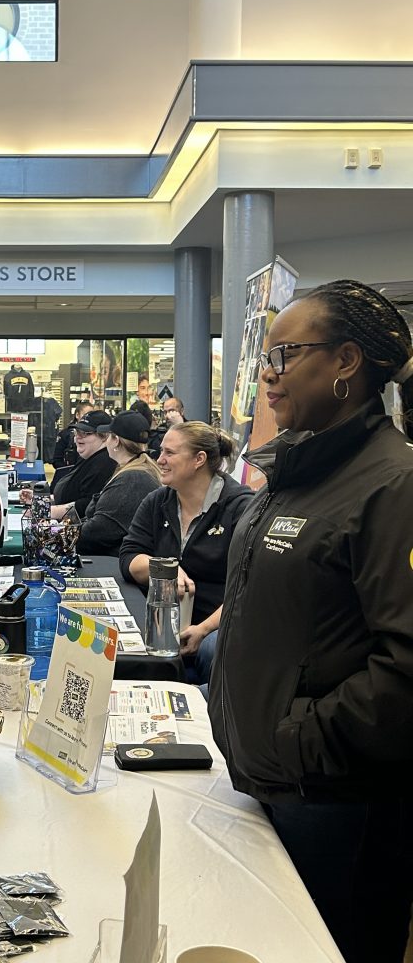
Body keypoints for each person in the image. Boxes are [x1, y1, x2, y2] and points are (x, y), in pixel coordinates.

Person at [207, 279, 413, 963]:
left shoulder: (393, 483)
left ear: (347, 363)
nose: (268, 374)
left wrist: (302, 739)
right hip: (271, 783)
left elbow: (406, 663)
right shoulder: (297, 468)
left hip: (335, 803)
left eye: (286, 354)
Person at [119, 422, 251, 682]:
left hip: (214, 626)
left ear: (198, 460)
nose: (160, 460)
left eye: (170, 453)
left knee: (214, 650)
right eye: (161, 452)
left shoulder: (240, 508)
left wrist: (202, 629)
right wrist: (164, 568)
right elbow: (128, 557)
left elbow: (249, 587)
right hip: (159, 625)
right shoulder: (158, 501)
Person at [76, 411, 162, 555]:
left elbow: (97, 533)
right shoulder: (139, 469)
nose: (106, 441)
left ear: (116, 440)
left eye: (109, 436)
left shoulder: (132, 479)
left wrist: (56, 532)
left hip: (110, 562)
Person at [47, 409, 117, 517]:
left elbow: (86, 505)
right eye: (77, 432)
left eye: (85, 433)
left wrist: (47, 512)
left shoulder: (103, 464)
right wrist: (42, 501)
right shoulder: (88, 457)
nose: (78, 437)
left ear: (104, 436)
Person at [52, 399, 94, 468]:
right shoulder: (65, 434)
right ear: (77, 415)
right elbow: (56, 460)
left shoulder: (96, 434)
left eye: (91, 415)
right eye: (85, 415)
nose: (89, 418)